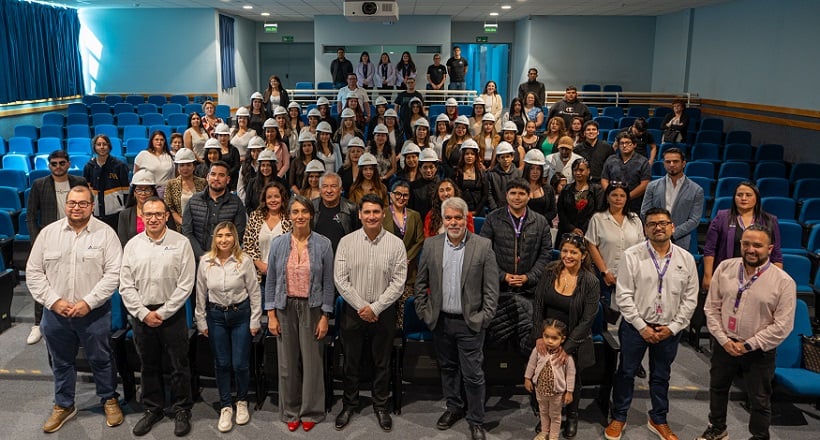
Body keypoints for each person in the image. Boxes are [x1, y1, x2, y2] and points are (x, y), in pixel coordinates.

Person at [26, 185, 123, 433]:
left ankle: (109, 398)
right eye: (72, 203)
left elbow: (114, 274)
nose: (76, 207)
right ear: (65, 205)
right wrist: (54, 301)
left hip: (93, 313)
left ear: (91, 206)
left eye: (82, 203)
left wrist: (88, 302)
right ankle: (64, 404)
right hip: (55, 313)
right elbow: (34, 272)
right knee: (60, 362)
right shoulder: (48, 234)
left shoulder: (106, 234)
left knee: (101, 359)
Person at [605, 207, 699, 440]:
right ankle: (619, 416)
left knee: (661, 375)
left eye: (663, 223)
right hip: (636, 327)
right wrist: (641, 326)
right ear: (645, 229)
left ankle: (658, 419)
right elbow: (623, 295)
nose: (658, 227)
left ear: (672, 227)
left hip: (669, 328)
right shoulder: (632, 255)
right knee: (626, 373)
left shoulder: (685, 259)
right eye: (653, 224)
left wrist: (674, 327)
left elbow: (690, 298)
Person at [699, 225, 796, 440]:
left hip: (758, 351)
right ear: (740, 244)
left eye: (758, 245)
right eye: (746, 244)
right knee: (717, 389)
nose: (751, 249)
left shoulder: (784, 282)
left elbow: (782, 325)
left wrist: (748, 344)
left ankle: (760, 437)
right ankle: (717, 428)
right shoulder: (725, 268)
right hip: (725, 344)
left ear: (770, 248)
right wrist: (724, 340)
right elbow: (711, 308)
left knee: (760, 400)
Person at [414, 196, 499, 440]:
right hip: (440, 321)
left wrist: (485, 317)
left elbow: (491, 289)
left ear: (466, 219)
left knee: (473, 374)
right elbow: (420, 283)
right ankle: (453, 408)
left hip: (470, 322)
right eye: (448, 218)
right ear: (443, 220)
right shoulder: (431, 245)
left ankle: (476, 420)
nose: (453, 222)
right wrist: (423, 310)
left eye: (458, 217)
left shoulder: (483, 246)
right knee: (448, 368)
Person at [119, 197, 196, 437]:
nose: (153, 218)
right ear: (143, 217)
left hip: (171, 314)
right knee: (148, 364)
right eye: (148, 214)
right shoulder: (132, 245)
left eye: (158, 214)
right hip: (142, 314)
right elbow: (125, 284)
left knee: (178, 364)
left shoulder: (181, 243)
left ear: (166, 216)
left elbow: (186, 284)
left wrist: (162, 313)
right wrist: (143, 313)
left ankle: (182, 409)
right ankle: (153, 408)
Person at [334, 194, 408, 432]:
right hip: (353, 311)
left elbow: (399, 283)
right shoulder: (346, 241)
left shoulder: (396, 244)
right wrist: (361, 307)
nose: (372, 216)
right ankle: (349, 404)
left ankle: (381, 406)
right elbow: (340, 280)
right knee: (351, 362)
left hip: (383, 312)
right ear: (359, 214)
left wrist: (375, 308)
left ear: (383, 214)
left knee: (381, 362)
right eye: (367, 212)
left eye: (376, 212)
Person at [263, 195, 335, 432]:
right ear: (289, 215)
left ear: (311, 215)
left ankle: (311, 411)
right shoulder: (278, 244)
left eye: (304, 211)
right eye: (295, 212)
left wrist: (325, 315)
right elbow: (271, 280)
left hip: (312, 308)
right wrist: (271, 314)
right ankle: (291, 410)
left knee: (313, 362)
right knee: (287, 364)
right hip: (285, 308)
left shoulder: (323, 244)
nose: (300, 216)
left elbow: (327, 283)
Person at [194, 221, 261, 433]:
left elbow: (255, 292)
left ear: (235, 238)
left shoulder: (245, 261)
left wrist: (255, 319)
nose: (224, 239)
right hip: (215, 317)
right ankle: (225, 406)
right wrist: (201, 320)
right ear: (215, 238)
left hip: (240, 315)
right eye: (220, 235)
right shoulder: (205, 261)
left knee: (240, 363)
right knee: (222, 363)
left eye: (228, 235)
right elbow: (200, 294)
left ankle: (241, 401)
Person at [532, 233, 599, 437]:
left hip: (573, 340)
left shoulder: (590, 281)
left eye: (573, 252)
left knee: (571, 381)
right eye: (565, 251)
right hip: (547, 337)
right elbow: (538, 305)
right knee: (546, 378)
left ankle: (572, 416)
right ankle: (549, 418)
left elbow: (588, 319)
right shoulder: (550, 270)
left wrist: (567, 347)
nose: (568, 255)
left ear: (583, 255)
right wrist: (538, 337)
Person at [481, 178, 553, 354]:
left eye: (522, 193)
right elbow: (483, 253)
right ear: (506, 196)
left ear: (529, 196)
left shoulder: (541, 222)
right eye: (513, 193)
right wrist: (502, 275)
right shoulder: (492, 219)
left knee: (528, 333)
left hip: (529, 290)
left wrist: (529, 277)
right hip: (499, 289)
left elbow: (545, 255)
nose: (517, 197)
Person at [26, 150, 88, 345]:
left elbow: (87, 208)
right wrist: (38, 241)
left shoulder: (79, 182)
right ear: (49, 166)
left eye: (62, 163)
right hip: (51, 239)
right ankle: (38, 323)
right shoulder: (39, 185)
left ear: (69, 163)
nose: (58, 167)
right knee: (44, 279)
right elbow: (30, 215)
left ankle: (79, 315)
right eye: (54, 163)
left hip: (78, 235)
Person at [702, 181, 784, 291]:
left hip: (759, 276)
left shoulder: (769, 220)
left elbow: (776, 254)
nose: (743, 198)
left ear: (756, 198)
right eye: (739, 195)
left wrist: (777, 280)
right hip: (728, 275)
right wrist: (708, 276)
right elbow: (710, 249)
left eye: (748, 195)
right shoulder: (722, 217)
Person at [586, 183, 645, 309]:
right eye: (614, 195)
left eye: (622, 196)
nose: (618, 199)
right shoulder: (598, 218)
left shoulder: (635, 219)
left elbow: (641, 248)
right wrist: (605, 272)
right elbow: (591, 245)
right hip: (605, 276)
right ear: (607, 197)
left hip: (631, 277)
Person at [640, 147, 704, 250]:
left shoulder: (696, 190)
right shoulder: (652, 186)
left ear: (683, 163)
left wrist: (672, 232)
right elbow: (644, 212)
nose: (671, 165)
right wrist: (658, 229)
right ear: (664, 164)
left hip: (680, 241)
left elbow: (694, 220)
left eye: (675, 161)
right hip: (654, 238)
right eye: (668, 162)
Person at [182, 160, 247, 261]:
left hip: (226, 260)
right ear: (207, 177)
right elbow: (187, 232)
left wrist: (222, 256)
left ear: (228, 179)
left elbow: (238, 233)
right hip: (197, 260)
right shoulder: (194, 201)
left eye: (221, 175)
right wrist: (202, 257)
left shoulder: (236, 203)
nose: (216, 178)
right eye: (213, 174)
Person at [383, 180, 425, 327]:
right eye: (398, 194)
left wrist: (406, 258)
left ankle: (404, 343)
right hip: (386, 270)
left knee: (405, 312)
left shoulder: (415, 215)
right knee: (387, 312)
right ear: (391, 195)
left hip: (408, 270)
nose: (401, 198)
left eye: (405, 195)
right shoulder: (382, 214)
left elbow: (420, 240)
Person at [525, 320, 576, 440]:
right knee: (543, 412)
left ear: (562, 339)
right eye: (546, 336)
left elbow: (570, 374)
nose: (549, 341)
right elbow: (531, 364)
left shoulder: (565, 356)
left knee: (555, 415)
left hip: (556, 393)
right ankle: (544, 432)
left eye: (554, 338)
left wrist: (569, 391)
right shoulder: (538, 350)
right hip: (540, 389)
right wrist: (527, 378)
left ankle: (553, 436)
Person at [244, 181, 291, 285]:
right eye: (269, 197)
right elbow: (248, 245)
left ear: (282, 198)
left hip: (283, 276)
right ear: (264, 199)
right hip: (258, 275)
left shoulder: (290, 218)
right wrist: (260, 265)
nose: (273, 200)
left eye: (276, 196)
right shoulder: (255, 216)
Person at [84, 134, 129, 230]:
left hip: (116, 212)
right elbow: (86, 191)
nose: (102, 147)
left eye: (104, 144)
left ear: (109, 146)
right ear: (94, 147)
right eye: (98, 144)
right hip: (96, 213)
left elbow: (126, 191)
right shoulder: (89, 167)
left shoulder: (119, 166)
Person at [556, 158, 604, 245]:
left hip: (589, 234)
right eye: (575, 170)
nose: (578, 173)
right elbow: (561, 211)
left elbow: (598, 212)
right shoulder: (566, 189)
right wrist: (572, 228)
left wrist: (584, 230)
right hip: (566, 232)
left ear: (588, 171)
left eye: (581, 170)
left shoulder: (597, 190)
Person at [601, 131, 651, 212]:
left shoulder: (643, 161)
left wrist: (626, 197)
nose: (624, 146)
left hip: (634, 204)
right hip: (612, 203)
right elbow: (604, 179)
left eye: (628, 143)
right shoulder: (611, 159)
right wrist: (611, 195)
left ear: (634, 145)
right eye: (622, 143)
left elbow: (644, 184)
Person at [312, 172, 359, 252]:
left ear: (341, 189)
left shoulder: (351, 208)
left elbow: (358, 235)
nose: (329, 190)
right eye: (325, 186)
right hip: (317, 257)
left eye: (333, 186)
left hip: (344, 257)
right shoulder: (311, 207)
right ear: (319, 190)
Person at [164, 148, 207, 231]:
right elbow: (169, 208)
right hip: (179, 228)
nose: (185, 168)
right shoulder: (171, 184)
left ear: (194, 166)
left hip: (200, 226)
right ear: (177, 167)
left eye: (188, 165)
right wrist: (183, 222)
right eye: (182, 165)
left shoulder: (203, 182)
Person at [117, 169, 159, 247]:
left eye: (147, 189)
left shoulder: (162, 211)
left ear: (153, 191)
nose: (143, 193)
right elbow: (123, 243)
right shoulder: (124, 215)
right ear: (134, 192)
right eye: (139, 189)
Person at [134, 129, 175, 198]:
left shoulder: (170, 156)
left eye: (162, 140)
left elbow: (173, 176)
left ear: (165, 141)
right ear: (152, 141)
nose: (159, 142)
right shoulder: (143, 155)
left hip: (166, 192)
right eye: (156, 139)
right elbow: (136, 175)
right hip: (148, 192)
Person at [454, 139, 488, 216]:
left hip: (478, 211)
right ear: (463, 156)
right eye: (467, 154)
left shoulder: (482, 173)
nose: (469, 156)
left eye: (472, 154)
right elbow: (454, 194)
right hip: (460, 211)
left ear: (476, 156)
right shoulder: (456, 173)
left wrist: (476, 211)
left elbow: (485, 195)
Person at [487, 142, 524, 211]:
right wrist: (494, 209)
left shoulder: (519, 173)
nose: (505, 159)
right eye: (502, 157)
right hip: (497, 211)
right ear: (498, 159)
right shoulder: (491, 174)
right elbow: (489, 194)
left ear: (512, 157)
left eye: (507, 156)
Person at [523, 149, 557, 224]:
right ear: (527, 169)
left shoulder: (548, 189)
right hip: (523, 226)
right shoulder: (519, 187)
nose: (535, 172)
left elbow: (553, 211)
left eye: (538, 168)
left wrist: (539, 221)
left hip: (544, 226)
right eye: (532, 168)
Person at [408, 148, 441, 219]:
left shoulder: (441, 186)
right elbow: (410, 210)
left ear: (436, 168)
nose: (428, 170)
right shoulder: (413, 186)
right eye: (425, 167)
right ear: (420, 169)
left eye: (431, 167)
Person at [236, 136, 266, 205]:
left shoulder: (266, 166)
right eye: (253, 151)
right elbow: (240, 188)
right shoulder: (244, 166)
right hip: (247, 202)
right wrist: (246, 202)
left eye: (258, 151)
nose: (256, 153)